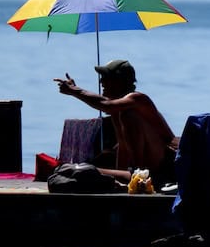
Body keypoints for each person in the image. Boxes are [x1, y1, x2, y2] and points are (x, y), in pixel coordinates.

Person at [54, 59, 178, 188]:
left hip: (165, 171)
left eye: (106, 78)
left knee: (128, 115)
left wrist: (74, 90)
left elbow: (106, 104)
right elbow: (123, 149)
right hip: (141, 174)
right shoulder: (117, 111)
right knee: (75, 171)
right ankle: (137, 179)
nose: (101, 82)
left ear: (119, 82)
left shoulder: (138, 99)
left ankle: (141, 179)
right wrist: (118, 181)